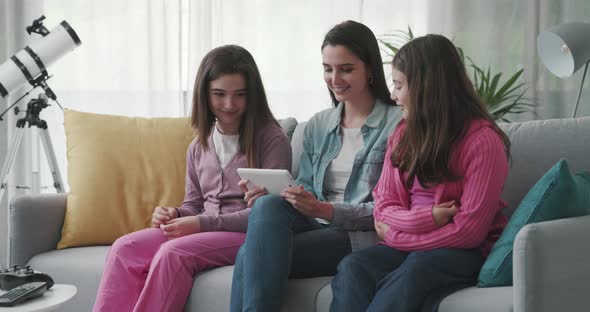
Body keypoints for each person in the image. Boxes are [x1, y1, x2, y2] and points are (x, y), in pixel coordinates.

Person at [92, 45, 292, 312]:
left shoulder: (272, 140)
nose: (229, 105)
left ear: (252, 95)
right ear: (204, 95)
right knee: (124, 248)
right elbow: (194, 204)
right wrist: (174, 213)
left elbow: (269, 217)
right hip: (205, 229)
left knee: (172, 254)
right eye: (219, 94)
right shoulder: (199, 145)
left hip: (246, 235)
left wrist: (199, 224)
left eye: (239, 95)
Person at [329, 34, 511, 312]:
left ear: (428, 87)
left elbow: (469, 233)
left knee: (417, 267)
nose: (392, 95)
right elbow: (384, 207)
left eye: (399, 85)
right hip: (411, 245)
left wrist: (399, 237)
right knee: (354, 265)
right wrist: (424, 220)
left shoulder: (483, 141)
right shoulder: (402, 134)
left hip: (464, 252)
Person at [230, 20, 402, 312]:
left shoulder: (397, 124)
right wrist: (282, 194)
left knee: (249, 255)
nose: (335, 78)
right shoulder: (319, 125)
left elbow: (388, 208)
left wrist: (326, 210)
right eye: (327, 68)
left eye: (346, 69)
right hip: (315, 221)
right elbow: (307, 187)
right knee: (267, 206)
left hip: (358, 235)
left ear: (370, 68)